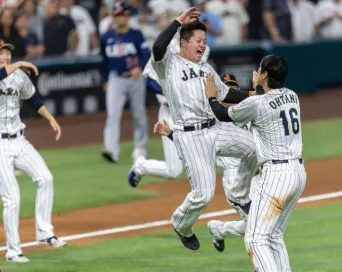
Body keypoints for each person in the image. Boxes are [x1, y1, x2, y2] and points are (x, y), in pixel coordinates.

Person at [138, 7, 259, 251]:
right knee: (203, 195)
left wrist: (254, 94)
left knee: (255, 149)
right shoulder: (169, 63)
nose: (203, 44)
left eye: (205, 40)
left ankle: (239, 194)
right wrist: (177, 21)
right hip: (191, 136)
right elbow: (158, 47)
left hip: (216, 128)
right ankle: (181, 224)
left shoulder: (206, 68)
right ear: (184, 42)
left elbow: (227, 95)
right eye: (198, 40)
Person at [131, 73, 262, 252]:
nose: (230, 91)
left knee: (261, 223)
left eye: (233, 88)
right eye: (225, 88)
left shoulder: (245, 110)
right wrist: (171, 134)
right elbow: (195, 141)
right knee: (260, 225)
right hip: (235, 178)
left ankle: (219, 229)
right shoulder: (211, 119)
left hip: (256, 175)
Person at [205, 55, 307, 271]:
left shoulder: (257, 102)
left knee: (255, 239)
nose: (257, 71)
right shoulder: (292, 96)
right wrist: (258, 88)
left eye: (260, 69)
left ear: (265, 75)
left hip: (276, 175)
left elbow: (222, 114)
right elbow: (267, 102)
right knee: (274, 235)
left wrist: (211, 98)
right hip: (298, 173)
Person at [0, 40, 67, 264]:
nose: (5, 56)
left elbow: (34, 99)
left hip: (19, 140)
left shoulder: (18, 76)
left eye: (7, 53)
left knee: (45, 178)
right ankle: (13, 251)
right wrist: (19, 62)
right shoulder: (12, 69)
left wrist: (50, 119)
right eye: (1, 53)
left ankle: (44, 232)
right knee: (12, 199)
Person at [131, 32, 210, 180]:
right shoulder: (165, 49)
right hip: (170, 113)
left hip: (193, 112)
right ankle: (140, 165)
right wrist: (171, 92)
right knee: (173, 171)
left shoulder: (204, 49)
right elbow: (150, 81)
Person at [100, 1, 150, 163]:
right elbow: (103, 61)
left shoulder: (136, 34)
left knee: (138, 114)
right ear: (113, 18)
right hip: (115, 78)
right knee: (113, 115)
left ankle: (140, 149)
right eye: (117, 15)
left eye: (123, 15)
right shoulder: (107, 37)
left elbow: (146, 55)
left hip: (135, 78)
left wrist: (140, 68)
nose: (120, 18)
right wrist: (104, 79)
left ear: (128, 17)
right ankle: (111, 150)